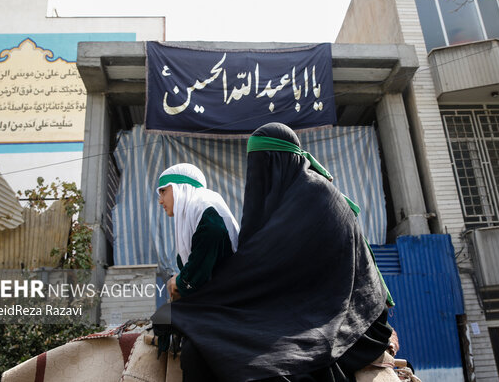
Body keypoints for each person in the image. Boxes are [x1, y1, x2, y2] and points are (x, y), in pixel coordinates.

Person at [153, 123, 394, 382]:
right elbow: (256, 271)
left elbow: (267, 273)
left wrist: (194, 306)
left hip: (336, 318)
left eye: (262, 165)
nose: (256, 176)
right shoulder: (281, 199)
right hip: (290, 309)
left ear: (278, 162)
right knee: (203, 348)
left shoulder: (315, 196)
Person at [156, 163, 239, 300]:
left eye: (163, 191)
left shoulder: (204, 208)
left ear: (181, 188)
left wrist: (180, 282)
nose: (160, 201)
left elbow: (212, 234)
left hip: (226, 299)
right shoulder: (194, 213)